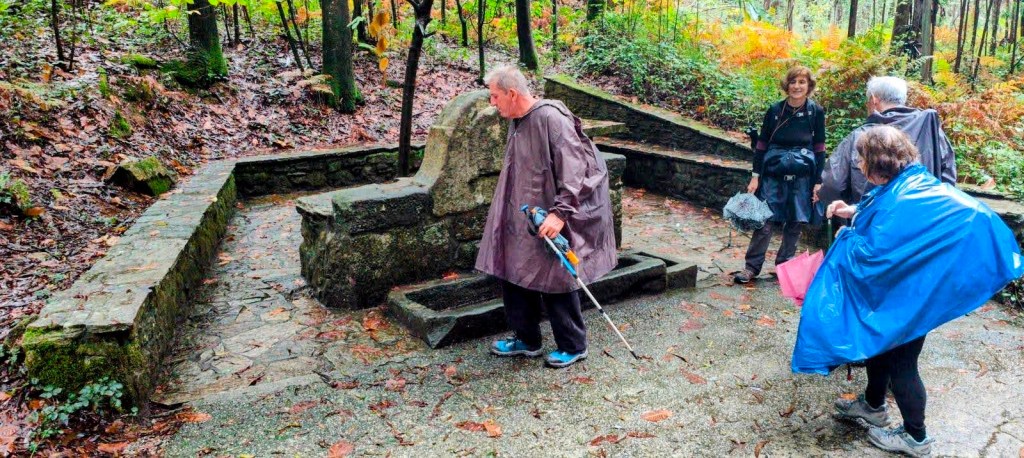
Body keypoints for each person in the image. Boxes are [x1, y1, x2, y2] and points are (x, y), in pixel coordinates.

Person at [796, 125, 1023, 457]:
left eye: (861, 159)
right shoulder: (911, 182)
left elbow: (874, 254)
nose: (859, 166)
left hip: (911, 297)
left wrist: (846, 238)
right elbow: (892, 221)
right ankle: (873, 406)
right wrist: (853, 212)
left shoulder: (905, 195)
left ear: (877, 163)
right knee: (879, 347)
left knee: (902, 362)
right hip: (906, 290)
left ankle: (916, 438)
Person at [475, 65, 616, 369]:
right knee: (513, 270)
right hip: (520, 213)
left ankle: (573, 344)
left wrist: (560, 213)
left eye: (495, 96)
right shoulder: (517, 119)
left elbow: (577, 168)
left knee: (556, 277)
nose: (493, 103)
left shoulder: (552, 118)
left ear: (512, 94)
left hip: (551, 214)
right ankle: (527, 339)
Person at [734, 66, 826, 284]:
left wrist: (818, 182)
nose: (797, 86)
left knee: (795, 222)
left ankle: (784, 267)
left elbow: (820, 148)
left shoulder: (816, 112)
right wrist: (755, 176)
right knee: (764, 221)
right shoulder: (775, 110)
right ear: (787, 85)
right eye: (793, 82)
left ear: (809, 86)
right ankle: (751, 268)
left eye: (802, 82)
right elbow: (762, 145)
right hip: (773, 176)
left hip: (802, 177)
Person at [817, 76, 956, 205]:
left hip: (873, 221)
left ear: (874, 100)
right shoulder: (930, 128)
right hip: (923, 217)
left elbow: (832, 185)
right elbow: (948, 176)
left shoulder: (860, 136)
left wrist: (850, 209)